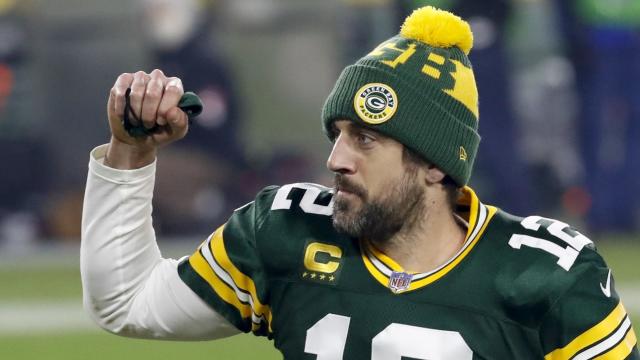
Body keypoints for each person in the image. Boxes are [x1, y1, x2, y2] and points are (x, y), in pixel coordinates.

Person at [81, 6, 639, 359]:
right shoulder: (284, 233)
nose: (338, 159)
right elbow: (127, 303)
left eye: (367, 139)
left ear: (436, 164)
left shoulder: (550, 277)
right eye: (338, 133)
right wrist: (130, 153)